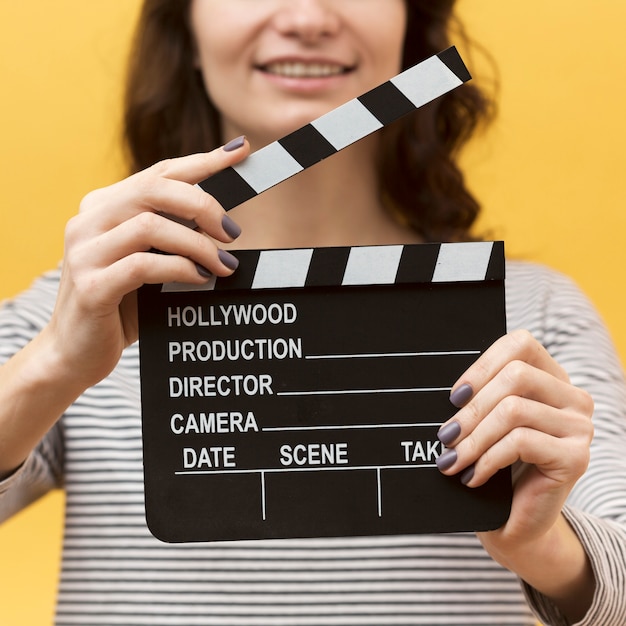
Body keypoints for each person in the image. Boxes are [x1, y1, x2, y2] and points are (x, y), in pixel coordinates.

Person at [1, 1, 625, 624]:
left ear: (412, 25)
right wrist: (52, 363)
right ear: (185, 29)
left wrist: (546, 546)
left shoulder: (532, 315)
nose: (306, 17)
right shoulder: (85, 311)